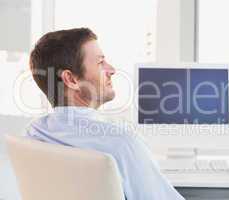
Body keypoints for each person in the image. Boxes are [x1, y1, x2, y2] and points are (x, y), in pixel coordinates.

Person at [26, 28, 185, 200]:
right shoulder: (122, 143)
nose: (112, 70)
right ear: (71, 80)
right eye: (100, 63)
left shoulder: (34, 133)